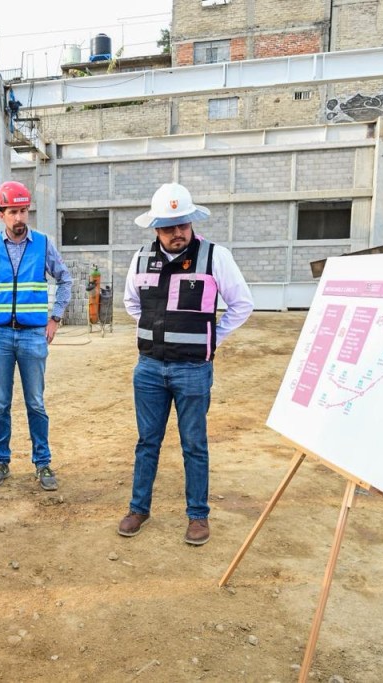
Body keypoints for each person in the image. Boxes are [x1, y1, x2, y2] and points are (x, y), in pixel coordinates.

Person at [118, 182, 253, 546]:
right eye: (168, 226)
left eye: (183, 224)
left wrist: (213, 339)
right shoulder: (141, 259)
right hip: (148, 369)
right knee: (147, 441)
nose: (177, 233)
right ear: (155, 228)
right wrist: (154, 331)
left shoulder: (214, 257)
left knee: (194, 443)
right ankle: (138, 508)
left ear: (191, 222)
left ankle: (197, 516)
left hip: (193, 370)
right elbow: (132, 303)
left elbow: (242, 305)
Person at [0, 180, 73, 491]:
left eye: (24, 211)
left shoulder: (43, 244)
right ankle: (1, 460)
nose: (20, 218)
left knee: (35, 402)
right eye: (13, 211)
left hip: (33, 335)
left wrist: (55, 317)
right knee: (0, 403)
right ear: (1, 214)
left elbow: (65, 280)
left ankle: (43, 462)